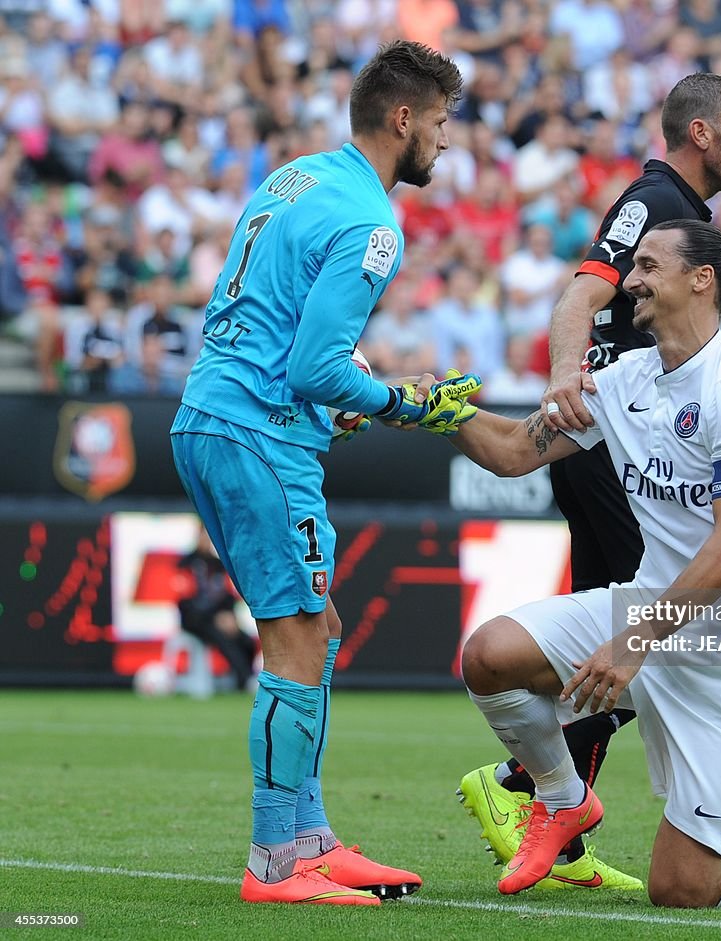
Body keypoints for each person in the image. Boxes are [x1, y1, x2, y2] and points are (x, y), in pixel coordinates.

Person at [169, 40, 478, 906]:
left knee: (319, 624)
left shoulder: (296, 178)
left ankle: (309, 835)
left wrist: (334, 398)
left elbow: (267, 328)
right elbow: (314, 366)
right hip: (258, 435)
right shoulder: (372, 222)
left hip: (214, 415)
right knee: (298, 638)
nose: (447, 144)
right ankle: (276, 861)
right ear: (404, 119)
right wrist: (405, 400)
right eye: (443, 124)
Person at [443, 219, 721, 907]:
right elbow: (511, 451)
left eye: (647, 265)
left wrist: (631, 642)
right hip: (649, 610)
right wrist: (431, 411)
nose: (631, 280)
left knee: (681, 889)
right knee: (488, 654)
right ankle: (563, 798)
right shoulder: (627, 379)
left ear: (700, 279)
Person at [456, 73, 721, 889]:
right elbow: (581, 292)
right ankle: (532, 790)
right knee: (632, 644)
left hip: (621, 435)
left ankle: (556, 809)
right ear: (700, 133)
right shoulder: (657, 202)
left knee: (629, 645)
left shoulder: (696, 253)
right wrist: (565, 375)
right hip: (608, 438)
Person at [175, 524, 257, 692]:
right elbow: (186, 603)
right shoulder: (185, 564)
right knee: (221, 637)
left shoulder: (218, 565)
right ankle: (245, 678)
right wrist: (215, 616)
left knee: (246, 640)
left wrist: (229, 616)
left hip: (220, 618)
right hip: (195, 621)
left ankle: (243, 679)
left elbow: (228, 597)